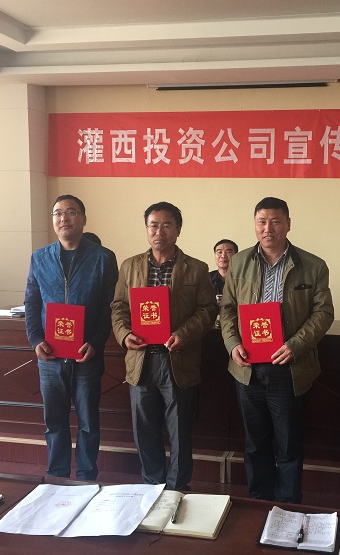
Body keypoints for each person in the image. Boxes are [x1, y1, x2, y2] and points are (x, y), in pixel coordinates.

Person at [219, 197, 334, 503]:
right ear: (255, 225)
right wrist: (232, 344)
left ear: (288, 224)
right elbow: (227, 309)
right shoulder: (239, 262)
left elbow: (323, 313)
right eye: (262, 221)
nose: (268, 228)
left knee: (288, 444)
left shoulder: (313, 265)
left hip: (289, 368)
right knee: (255, 443)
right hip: (247, 368)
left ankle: (287, 507)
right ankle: (259, 502)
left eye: (275, 221)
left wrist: (296, 345)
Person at [111, 201, 218, 490]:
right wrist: (124, 334)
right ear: (146, 229)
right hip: (141, 359)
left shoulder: (196, 268)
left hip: (177, 358)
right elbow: (119, 307)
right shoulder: (130, 266)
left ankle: (177, 489)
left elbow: (208, 310)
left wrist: (184, 333)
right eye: (153, 225)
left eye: (167, 225)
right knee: (144, 429)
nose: (159, 232)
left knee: (179, 431)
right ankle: (152, 486)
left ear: (178, 229)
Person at [24, 194, 118, 480]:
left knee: (88, 422)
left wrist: (97, 342)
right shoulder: (40, 257)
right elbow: (32, 302)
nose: (63, 218)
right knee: (54, 421)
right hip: (50, 356)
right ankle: (57, 475)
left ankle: (87, 477)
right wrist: (35, 339)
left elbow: (110, 306)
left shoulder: (103, 258)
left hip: (86, 354)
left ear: (84, 218)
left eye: (71, 212)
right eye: (58, 213)